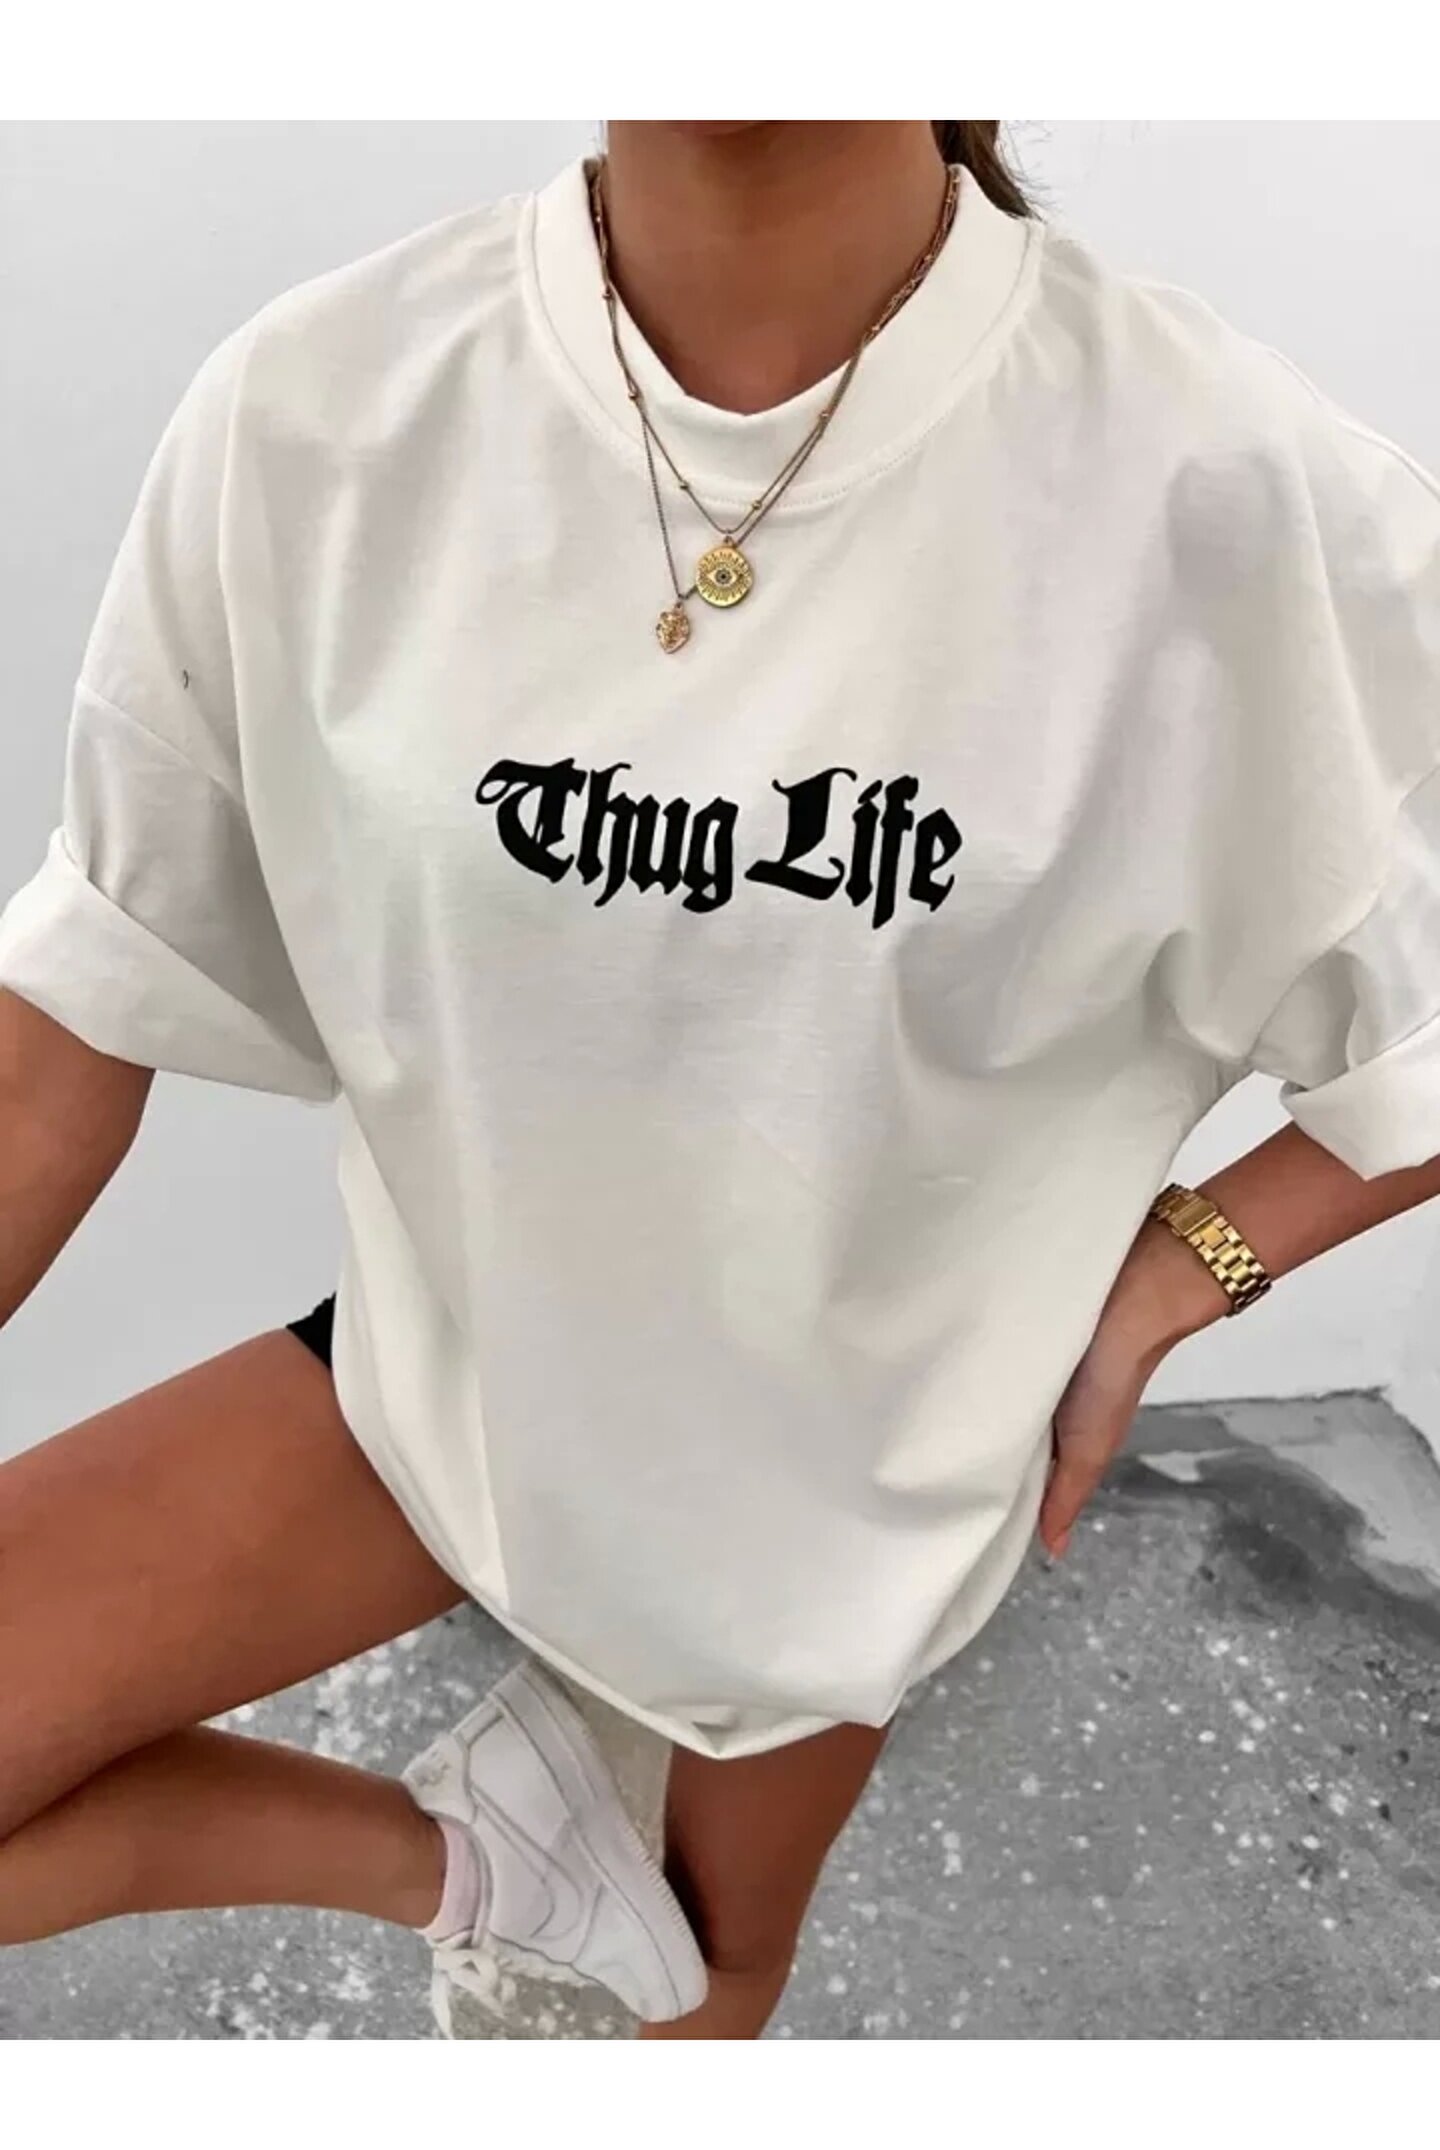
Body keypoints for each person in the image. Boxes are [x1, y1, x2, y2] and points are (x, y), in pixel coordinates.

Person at [2, 117, 1439, 2043]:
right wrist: (438, 1869)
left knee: (699, 1988)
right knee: (621, 1934)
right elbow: (59, 1046)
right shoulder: (325, 408)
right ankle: (495, 1859)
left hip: (849, 1494)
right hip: (448, 1397)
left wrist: (1185, 1272)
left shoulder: (1225, 488)